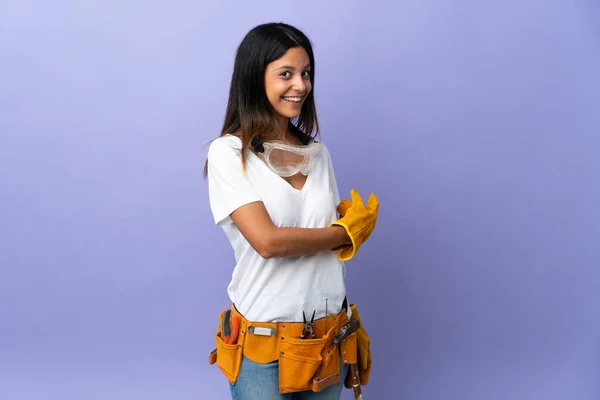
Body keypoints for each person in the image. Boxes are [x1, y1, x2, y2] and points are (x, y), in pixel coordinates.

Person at [204, 22, 379, 400]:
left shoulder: (319, 154)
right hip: (263, 347)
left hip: (329, 339)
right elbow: (268, 242)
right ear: (255, 79)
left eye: (306, 73)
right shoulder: (229, 154)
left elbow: (319, 245)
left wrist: (339, 229)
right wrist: (344, 233)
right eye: (286, 74)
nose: (300, 85)